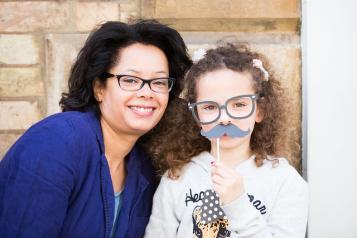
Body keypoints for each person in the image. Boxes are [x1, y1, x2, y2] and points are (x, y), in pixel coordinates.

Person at [0, 20, 191, 238]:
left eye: (158, 82)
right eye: (130, 80)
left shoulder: (144, 166)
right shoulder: (57, 142)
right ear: (99, 88)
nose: (147, 92)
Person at [144, 44, 308, 237]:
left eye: (239, 104)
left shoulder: (284, 181)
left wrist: (237, 204)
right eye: (210, 107)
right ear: (196, 115)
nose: (224, 119)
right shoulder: (176, 179)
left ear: (260, 110)